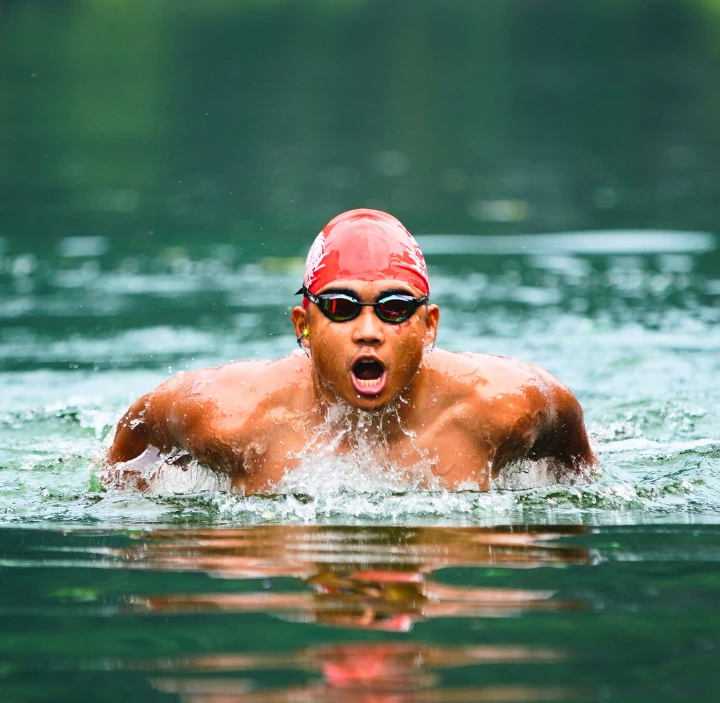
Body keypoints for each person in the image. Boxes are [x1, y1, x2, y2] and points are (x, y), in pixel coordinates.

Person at [104, 208, 595, 492]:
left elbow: (574, 456)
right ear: (304, 324)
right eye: (340, 307)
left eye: (395, 307)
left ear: (429, 326)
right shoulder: (228, 415)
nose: (368, 330)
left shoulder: (504, 405)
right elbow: (134, 438)